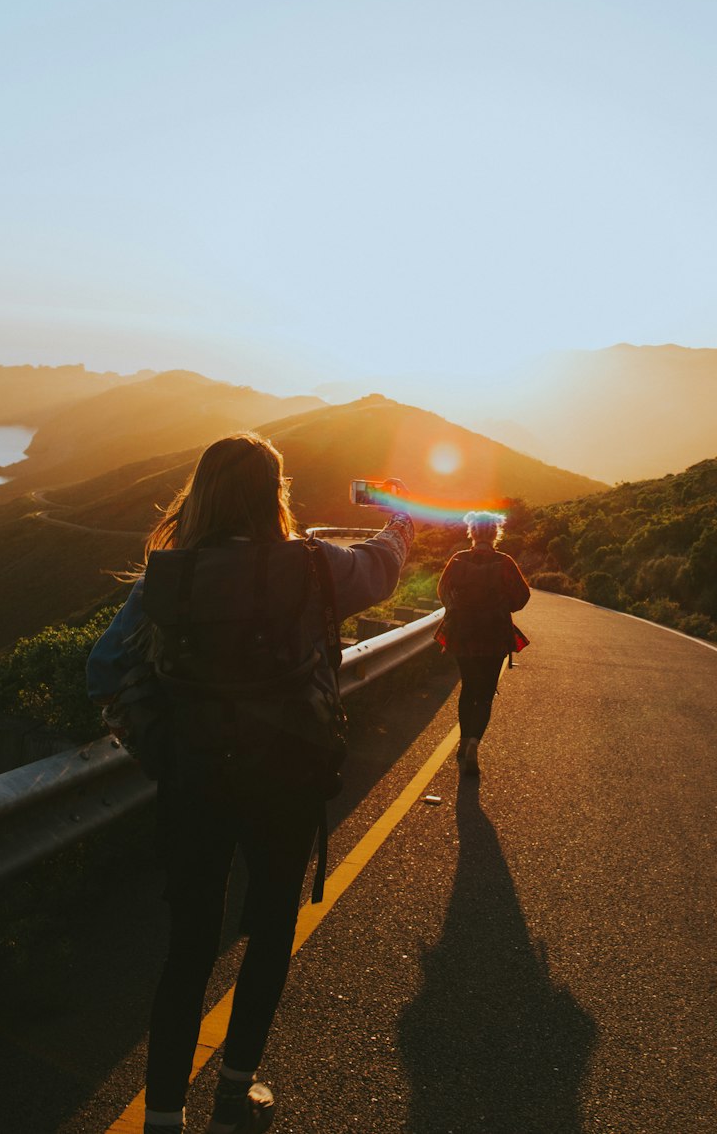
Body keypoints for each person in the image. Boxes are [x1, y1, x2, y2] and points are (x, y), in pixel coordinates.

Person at [86, 433, 413, 1134]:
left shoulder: (169, 578)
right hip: (288, 777)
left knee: (189, 945)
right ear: (275, 495)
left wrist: (162, 743)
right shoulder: (313, 566)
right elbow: (381, 570)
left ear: (200, 494)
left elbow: (104, 668)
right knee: (269, 929)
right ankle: (235, 1094)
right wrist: (400, 524)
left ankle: (164, 1117)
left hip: (196, 781)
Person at [436, 510, 530, 777]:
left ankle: (464, 741)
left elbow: (443, 592)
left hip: (463, 634)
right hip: (495, 634)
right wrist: (503, 608)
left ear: (472, 532)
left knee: (468, 689)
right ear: (495, 533)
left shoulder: (457, 560)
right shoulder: (505, 562)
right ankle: (475, 743)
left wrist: (459, 611)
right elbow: (522, 597)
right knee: (486, 694)